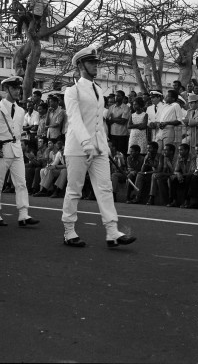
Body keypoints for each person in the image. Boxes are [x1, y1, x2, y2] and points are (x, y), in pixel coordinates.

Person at [61, 47, 136, 248]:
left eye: (96, 62)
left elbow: (98, 122)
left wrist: (105, 145)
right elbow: (75, 120)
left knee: (105, 188)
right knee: (74, 189)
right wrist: (86, 144)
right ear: (80, 65)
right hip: (78, 148)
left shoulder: (97, 90)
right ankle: (69, 231)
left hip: (99, 148)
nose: (96, 65)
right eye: (91, 62)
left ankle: (112, 232)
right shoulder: (72, 90)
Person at [0, 76, 40, 227]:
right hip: (0, 150)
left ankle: (23, 214)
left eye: (18, 88)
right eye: (13, 88)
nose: (17, 91)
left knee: (21, 183)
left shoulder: (21, 111)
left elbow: (18, 132)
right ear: (6, 89)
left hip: (16, 150)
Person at [170, 143, 195, 207]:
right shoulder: (179, 157)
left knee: (188, 178)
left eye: (181, 150)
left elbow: (193, 171)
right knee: (173, 178)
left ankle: (187, 201)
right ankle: (174, 200)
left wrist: (182, 175)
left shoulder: (193, 157)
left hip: (191, 177)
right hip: (183, 176)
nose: (179, 152)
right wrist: (178, 174)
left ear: (187, 150)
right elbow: (176, 171)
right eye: (178, 150)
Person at [107, 91, 131, 157]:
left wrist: (113, 119)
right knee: (113, 153)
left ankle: (122, 167)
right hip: (113, 134)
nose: (116, 97)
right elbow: (107, 121)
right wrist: (118, 117)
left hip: (122, 135)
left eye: (118, 96)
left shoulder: (126, 107)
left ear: (123, 97)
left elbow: (123, 122)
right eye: (116, 95)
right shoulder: (111, 107)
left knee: (122, 153)